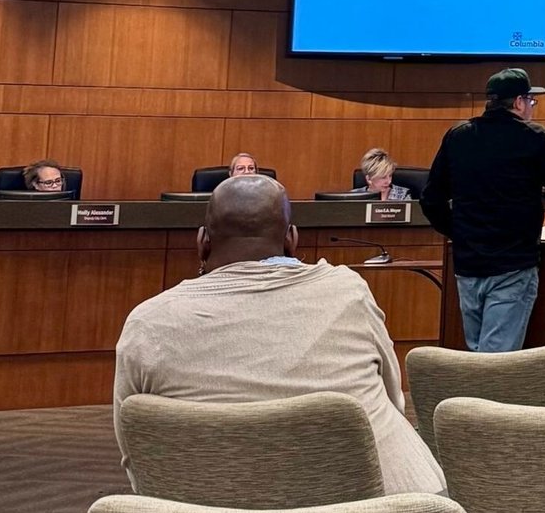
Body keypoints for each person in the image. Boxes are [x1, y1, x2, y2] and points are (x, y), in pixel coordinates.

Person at [113, 175, 444, 495]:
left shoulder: (148, 322)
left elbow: (136, 452)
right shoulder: (348, 292)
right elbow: (393, 401)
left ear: (202, 242)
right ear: (291, 240)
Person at [420, 68, 545, 353]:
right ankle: (477, 398)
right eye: (531, 101)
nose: (532, 107)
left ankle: (471, 398)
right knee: (496, 362)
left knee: (479, 351)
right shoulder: (536, 137)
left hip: (468, 267)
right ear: (519, 102)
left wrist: (459, 232)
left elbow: (431, 199)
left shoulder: (458, 136)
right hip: (513, 264)